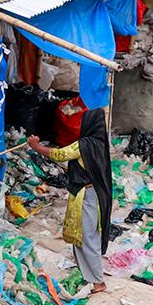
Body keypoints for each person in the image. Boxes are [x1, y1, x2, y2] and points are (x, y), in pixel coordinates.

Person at [26, 106, 116, 293]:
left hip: (86, 195)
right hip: (96, 194)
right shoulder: (100, 144)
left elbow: (59, 155)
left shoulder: (85, 145)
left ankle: (98, 282)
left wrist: (36, 146)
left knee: (86, 237)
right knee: (85, 236)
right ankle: (90, 276)